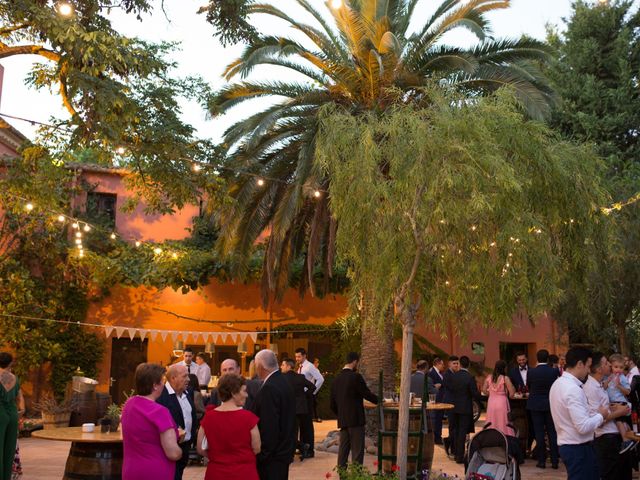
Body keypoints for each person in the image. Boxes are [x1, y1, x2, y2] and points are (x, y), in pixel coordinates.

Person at [549, 347, 627, 480]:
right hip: (578, 448)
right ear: (580, 364)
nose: (588, 370)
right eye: (588, 366)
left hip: (571, 446)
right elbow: (583, 426)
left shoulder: (558, 383)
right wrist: (601, 415)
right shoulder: (572, 389)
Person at [121, 363, 183, 480]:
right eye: (162, 381)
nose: (164, 385)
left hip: (131, 470)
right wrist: (182, 452)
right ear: (155, 385)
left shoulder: (129, 404)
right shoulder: (160, 412)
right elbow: (173, 453)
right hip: (155, 471)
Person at [197, 374, 261, 480]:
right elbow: (257, 448)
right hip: (244, 473)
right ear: (234, 393)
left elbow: (200, 448)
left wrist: (218, 457)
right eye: (244, 391)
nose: (247, 395)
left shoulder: (208, 417)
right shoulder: (249, 418)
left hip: (216, 472)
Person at [584, 352, 633, 480]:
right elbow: (597, 418)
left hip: (615, 435)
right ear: (599, 369)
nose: (610, 365)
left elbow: (607, 408)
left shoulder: (601, 384)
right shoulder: (591, 388)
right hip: (606, 438)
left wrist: (615, 410)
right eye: (606, 363)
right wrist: (619, 412)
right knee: (611, 474)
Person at [252, 349, 296, 480]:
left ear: (260, 366)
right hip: (283, 452)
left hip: (273, 458)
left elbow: (269, 426)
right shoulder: (284, 381)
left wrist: (262, 455)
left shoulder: (269, 387)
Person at [330, 352, 378, 471]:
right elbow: (366, 394)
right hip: (356, 420)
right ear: (355, 362)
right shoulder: (355, 377)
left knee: (343, 450)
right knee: (357, 452)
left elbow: (332, 403)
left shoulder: (336, 379)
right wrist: (379, 400)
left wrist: (340, 413)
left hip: (343, 420)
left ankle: (343, 475)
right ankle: (356, 475)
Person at [157, 364, 197, 480]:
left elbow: (191, 416)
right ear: (173, 378)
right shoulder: (161, 395)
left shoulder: (188, 392)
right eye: (185, 376)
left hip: (185, 446)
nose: (188, 379)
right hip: (170, 448)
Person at [446, 355, 483, 463]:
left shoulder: (453, 376)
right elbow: (474, 394)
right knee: (462, 432)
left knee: (456, 431)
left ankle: (456, 453)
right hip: (465, 408)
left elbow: (450, 390)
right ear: (469, 365)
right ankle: (459, 456)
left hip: (454, 407)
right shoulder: (470, 377)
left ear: (460, 364)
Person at [526, 349, 559, 469]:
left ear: (537, 358)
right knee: (552, 433)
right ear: (548, 359)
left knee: (539, 433)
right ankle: (555, 461)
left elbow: (529, 386)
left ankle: (541, 460)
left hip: (535, 404)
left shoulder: (531, 372)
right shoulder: (553, 371)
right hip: (549, 404)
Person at [280, 358, 316, 459]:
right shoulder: (300, 377)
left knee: (292, 431)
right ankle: (306, 449)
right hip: (302, 408)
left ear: (288, 366)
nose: (281, 367)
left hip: (290, 408)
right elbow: (312, 387)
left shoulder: (282, 378)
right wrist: (304, 395)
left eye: (282, 365)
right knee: (305, 430)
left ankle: (296, 450)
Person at [294, 348, 324, 459]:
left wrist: (313, 393)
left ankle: (310, 450)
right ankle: (303, 447)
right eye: (296, 357)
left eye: (299, 357)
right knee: (302, 424)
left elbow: (320, 379)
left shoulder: (310, 366)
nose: (297, 359)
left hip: (307, 397)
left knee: (307, 425)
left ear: (304, 356)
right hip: (301, 398)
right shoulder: (299, 367)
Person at [603, 353, 634, 453]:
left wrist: (619, 385)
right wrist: (607, 382)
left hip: (621, 401)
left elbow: (628, 392)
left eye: (621, 367)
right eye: (616, 367)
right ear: (611, 366)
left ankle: (626, 441)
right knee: (623, 422)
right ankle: (631, 438)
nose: (618, 370)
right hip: (613, 402)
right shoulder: (607, 377)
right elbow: (603, 388)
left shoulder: (622, 378)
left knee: (619, 421)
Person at [0, 352, 24, 480]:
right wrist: (22, 411)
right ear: (10, 363)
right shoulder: (13, 378)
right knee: (9, 450)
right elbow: (20, 398)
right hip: (12, 414)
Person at [482, 360, 515, 436]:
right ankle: (505, 437)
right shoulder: (505, 378)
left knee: (491, 420)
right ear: (504, 368)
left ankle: (491, 437)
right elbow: (511, 394)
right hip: (502, 402)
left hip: (491, 403)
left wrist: (490, 394)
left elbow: (484, 390)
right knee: (503, 421)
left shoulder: (489, 377)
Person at [428, 357, 446, 445]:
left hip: (440, 399)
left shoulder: (440, 373)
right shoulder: (431, 373)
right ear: (438, 364)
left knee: (439, 419)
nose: (443, 366)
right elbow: (429, 385)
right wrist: (435, 386)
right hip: (435, 399)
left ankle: (438, 436)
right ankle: (436, 438)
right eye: (442, 364)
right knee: (436, 419)